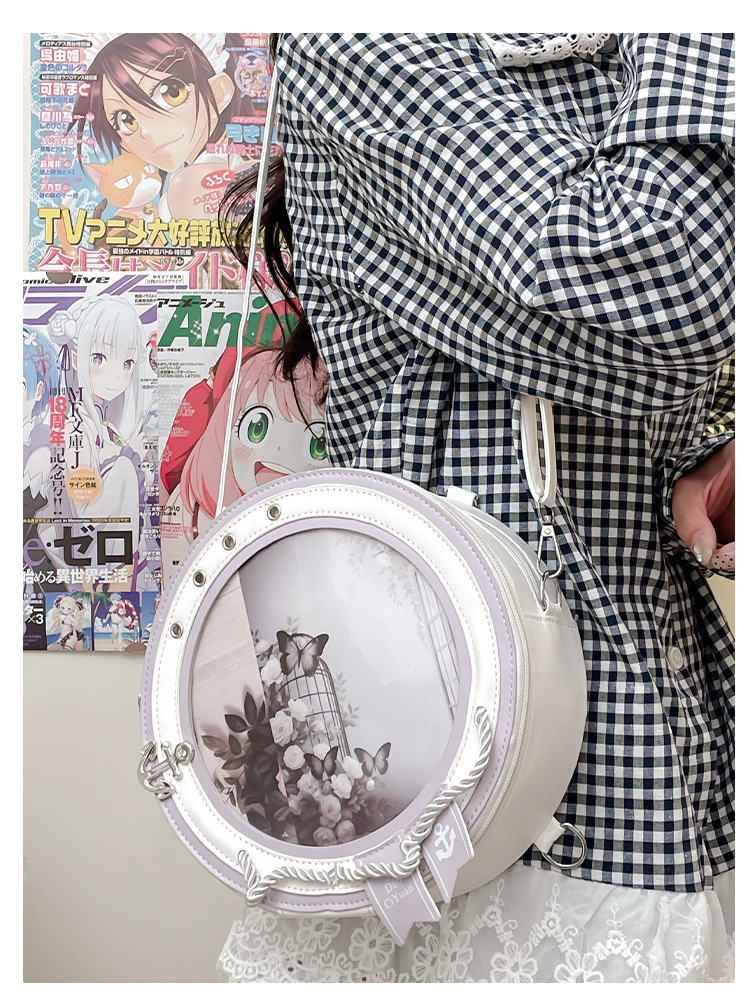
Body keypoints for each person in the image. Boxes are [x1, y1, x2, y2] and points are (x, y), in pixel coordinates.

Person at [215, 33, 735, 983]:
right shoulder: (367, 39)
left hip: (648, 707)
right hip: (439, 709)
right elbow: (672, 283)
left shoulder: (618, 59)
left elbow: (647, 337)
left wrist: (701, 456)